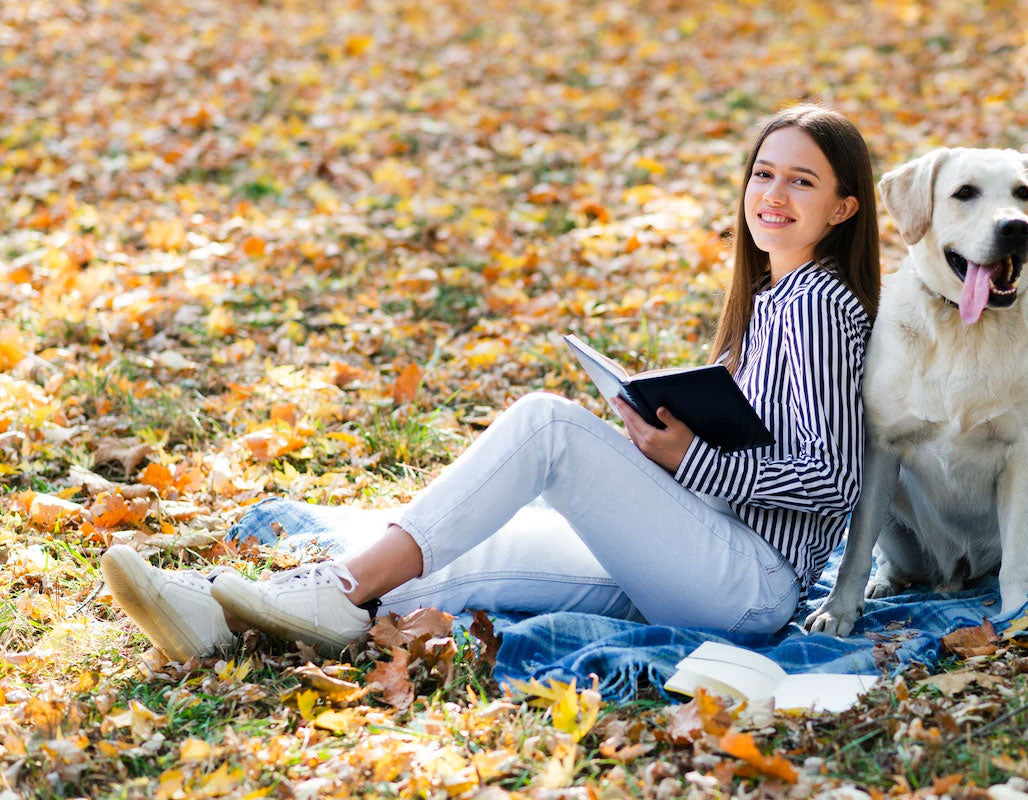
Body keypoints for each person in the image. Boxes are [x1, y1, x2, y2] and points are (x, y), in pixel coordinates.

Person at [100, 104, 882, 661]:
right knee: (467, 552)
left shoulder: (818, 304)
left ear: (844, 208)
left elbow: (836, 479)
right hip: (698, 552)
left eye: (802, 183)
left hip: (749, 581)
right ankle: (218, 611)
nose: (773, 196)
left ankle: (328, 589)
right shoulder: (773, 300)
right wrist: (661, 442)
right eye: (763, 174)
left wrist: (689, 458)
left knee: (546, 426)